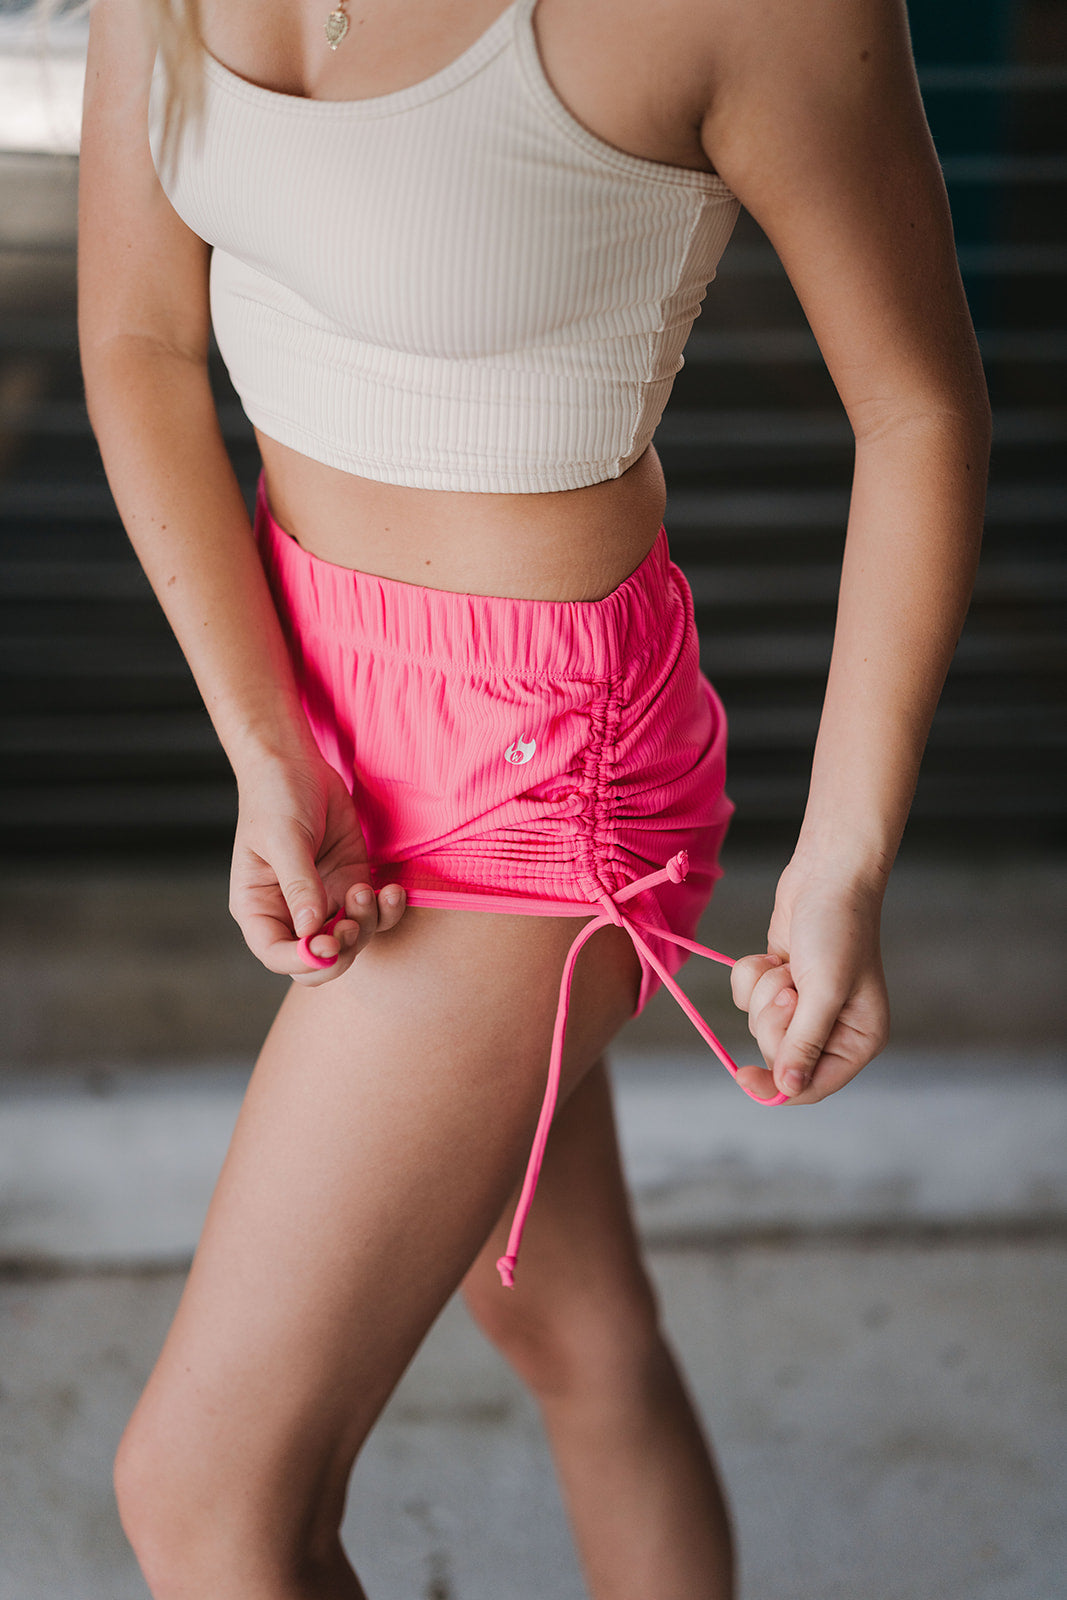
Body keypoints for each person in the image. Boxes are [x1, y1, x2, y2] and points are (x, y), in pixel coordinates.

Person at [77, 0, 990, 1593]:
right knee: (565, 1320)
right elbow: (136, 338)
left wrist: (837, 867)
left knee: (209, 1499)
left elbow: (918, 412)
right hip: (322, 716)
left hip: (547, 779)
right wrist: (266, 744)